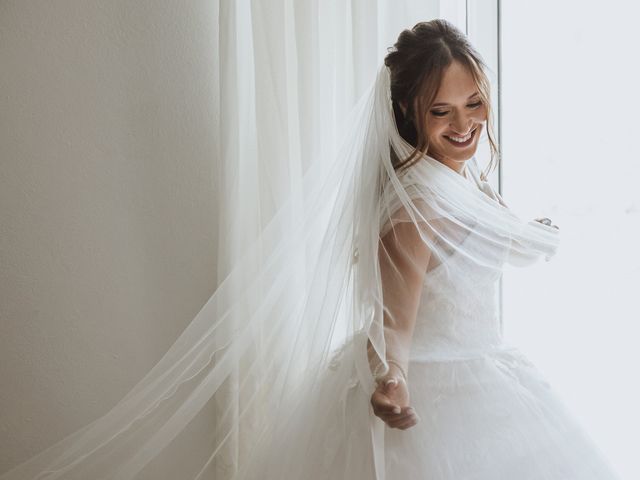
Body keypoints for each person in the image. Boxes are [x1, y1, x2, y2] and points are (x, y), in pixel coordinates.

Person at [0, 19, 623, 480]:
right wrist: (393, 378)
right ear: (407, 114)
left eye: (474, 102)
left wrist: (529, 228)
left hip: (481, 369)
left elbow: (490, 249)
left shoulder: (455, 179)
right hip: (438, 393)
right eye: (441, 111)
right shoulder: (421, 205)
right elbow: (394, 317)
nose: (463, 124)